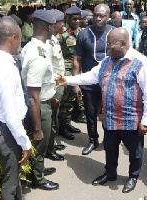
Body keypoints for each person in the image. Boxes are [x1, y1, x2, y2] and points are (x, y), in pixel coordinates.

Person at [56, 27, 147, 193]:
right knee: (110, 149)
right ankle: (110, 174)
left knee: (135, 152)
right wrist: (68, 80)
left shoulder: (142, 63)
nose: (107, 47)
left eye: (110, 44)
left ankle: (133, 176)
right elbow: (90, 76)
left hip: (131, 120)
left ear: (123, 43)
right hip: (109, 118)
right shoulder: (107, 61)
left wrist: (146, 120)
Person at [0, 18, 31, 200]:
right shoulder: (5, 69)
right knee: (9, 183)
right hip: (8, 130)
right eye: (19, 38)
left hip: (0, 126)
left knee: (13, 175)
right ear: (13, 38)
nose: (20, 42)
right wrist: (25, 143)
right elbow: (11, 115)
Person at [21, 10, 59, 190]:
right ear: (49, 27)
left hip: (43, 101)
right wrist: (37, 127)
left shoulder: (39, 47)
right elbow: (33, 95)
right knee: (39, 141)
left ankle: (39, 169)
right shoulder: (37, 54)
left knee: (41, 144)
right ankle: (38, 178)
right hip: (39, 106)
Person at [73, 4, 114, 155]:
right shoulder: (84, 34)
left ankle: (109, 141)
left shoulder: (114, 33)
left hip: (110, 82)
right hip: (89, 83)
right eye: (96, 15)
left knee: (108, 113)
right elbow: (77, 59)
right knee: (90, 113)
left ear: (108, 16)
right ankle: (92, 140)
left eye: (102, 15)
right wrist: (76, 83)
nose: (98, 18)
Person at [58, 6, 83, 140]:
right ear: (68, 18)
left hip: (78, 69)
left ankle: (68, 123)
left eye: (79, 19)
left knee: (73, 99)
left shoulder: (81, 32)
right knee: (65, 100)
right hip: (66, 70)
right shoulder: (62, 34)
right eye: (74, 19)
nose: (77, 21)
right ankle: (62, 126)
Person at [45, 9, 66, 161]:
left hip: (58, 82)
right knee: (51, 118)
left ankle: (51, 144)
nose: (63, 24)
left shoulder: (53, 38)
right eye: (61, 22)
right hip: (53, 85)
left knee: (54, 116)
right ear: (54, 24)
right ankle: (49, 149)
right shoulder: (47, 41)